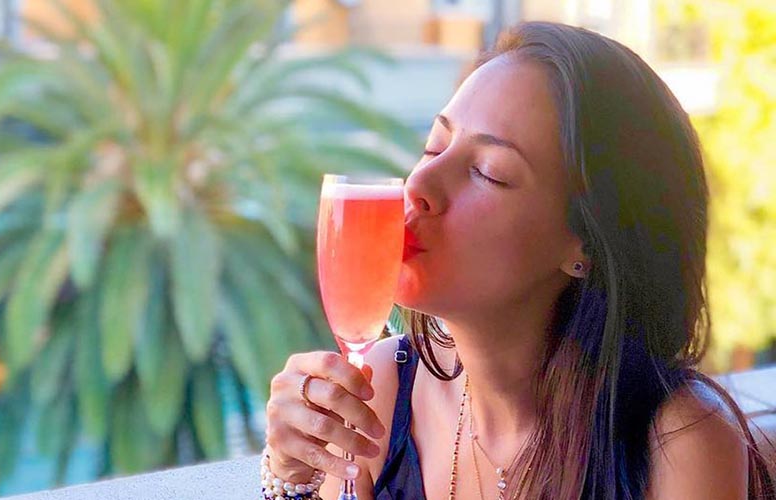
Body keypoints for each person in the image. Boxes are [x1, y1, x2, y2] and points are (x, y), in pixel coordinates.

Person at [261, 22, 776, 499]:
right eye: (434, 146)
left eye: (488, 171)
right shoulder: (382, 390)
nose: (418, 185)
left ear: (586, 243)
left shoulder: (678, 444)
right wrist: (291, 479)